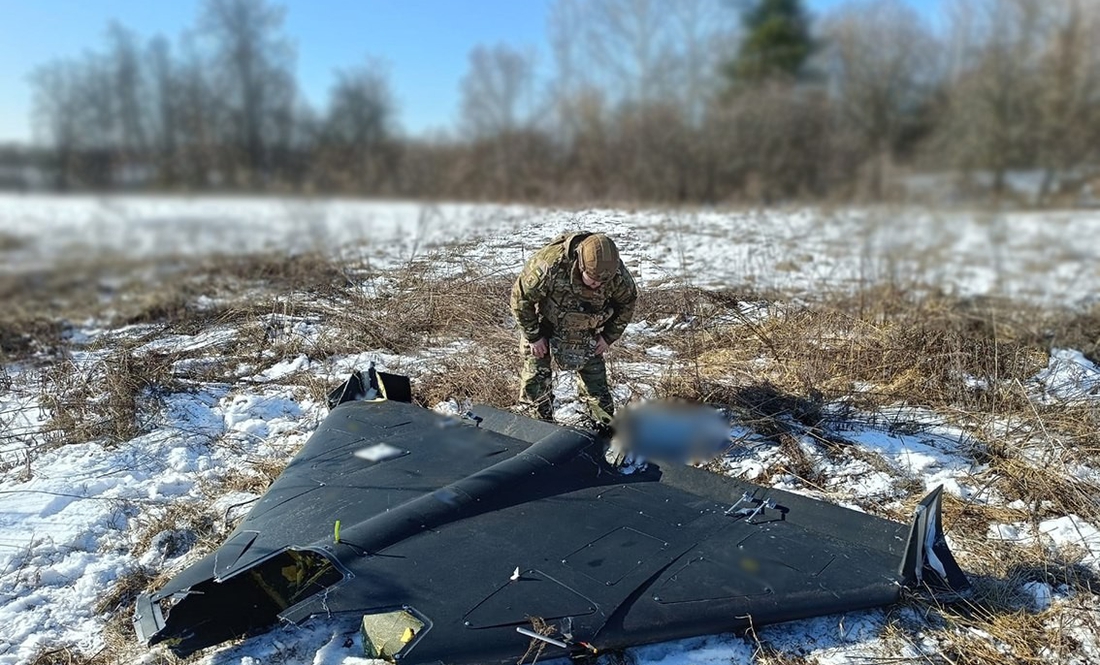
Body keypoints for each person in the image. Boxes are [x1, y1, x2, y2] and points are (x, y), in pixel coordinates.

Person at [510, 232, 637, 425]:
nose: (597, 286)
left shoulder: (614, 272)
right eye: (592, 280)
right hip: (546, 323)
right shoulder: (550, 264)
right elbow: (520, 298)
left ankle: (601, 431)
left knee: (596, 385)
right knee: (536, 378)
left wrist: (609, 336)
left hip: (586, 329)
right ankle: (536, 427)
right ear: (580, 264)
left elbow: (628, 302)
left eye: (602, 283)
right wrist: (533, 336)